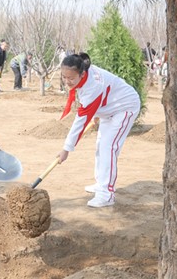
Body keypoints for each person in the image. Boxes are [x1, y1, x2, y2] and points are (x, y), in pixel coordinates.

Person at [57, 53, 141, 208]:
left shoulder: (92, 85)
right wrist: (96, 113)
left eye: (71, 78)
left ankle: (106, 194)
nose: (67, 82)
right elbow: (94, 101)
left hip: (125, 107)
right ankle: (101, 183)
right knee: (100, 145)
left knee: (108, 147)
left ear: (82, 74)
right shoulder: (85, 73)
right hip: (109, 108)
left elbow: (80, 121)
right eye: (64, 77)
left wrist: (66, 149)